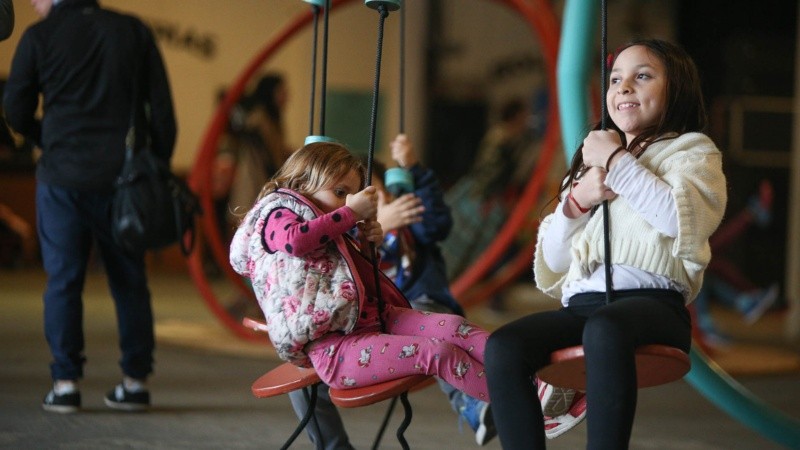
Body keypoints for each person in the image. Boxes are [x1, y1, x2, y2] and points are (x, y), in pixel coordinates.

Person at [485, 38, 727, 449]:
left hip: (655, 305)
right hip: (584, 307)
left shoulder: (692, 152)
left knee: (605, 329)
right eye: (615, 79)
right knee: (504, 346)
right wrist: (577, 202)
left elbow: (678, 219)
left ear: (677, 88)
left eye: (642, 76)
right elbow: (555, 259)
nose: (624, 87)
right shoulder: (591, 163)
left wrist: (618, 163)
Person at [229, 141, 494, 445]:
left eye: (351, 196)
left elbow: (356, 281)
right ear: (304, 183)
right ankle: (515, 402)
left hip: (373, 320)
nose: (346, 204)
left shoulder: (331, 225)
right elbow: (296, 242)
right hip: (334, 348)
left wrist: (369, 246)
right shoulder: (278, 211)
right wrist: (350, 215)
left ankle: (534, 388)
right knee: (437, 352)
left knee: (454, 326)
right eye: (340, 193)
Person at [3, 0, 176, 413]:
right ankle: (135, 383)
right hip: (124, 182)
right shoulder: (132, 30)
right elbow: (163, 111)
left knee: (63, 282)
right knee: (129, 282)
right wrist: (154, 167)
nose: (31, 2)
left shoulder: (38, 37)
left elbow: (14, 107)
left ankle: (65, 385)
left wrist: (47, 136)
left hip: (61, 179)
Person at [227, 73, 293, 216]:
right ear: (270, 93)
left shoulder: (272, 119)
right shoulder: (258, 119)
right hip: (252, 180)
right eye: (281, 91)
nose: (286, 96)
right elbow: (270, 152)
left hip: (263, 181)